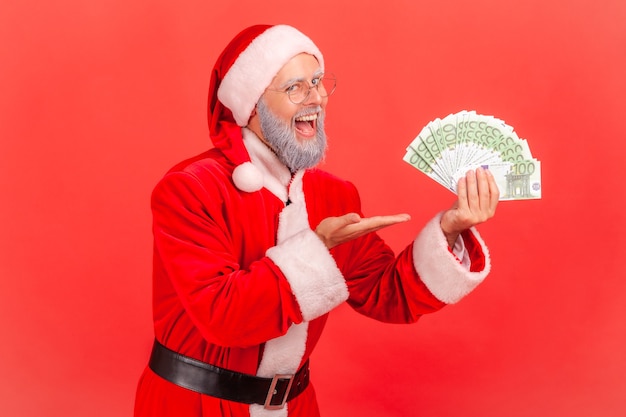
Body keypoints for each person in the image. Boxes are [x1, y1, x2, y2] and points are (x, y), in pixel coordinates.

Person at [134, 24, 499, 417]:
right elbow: (223, 317)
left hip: (297, 407)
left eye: (319, 82)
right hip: (196, 407)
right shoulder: (190, 188)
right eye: (296, 87)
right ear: (252, 104)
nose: (317, 98)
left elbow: (387, 295)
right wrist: (317, 248)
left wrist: (451, 229)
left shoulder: (333, 195)